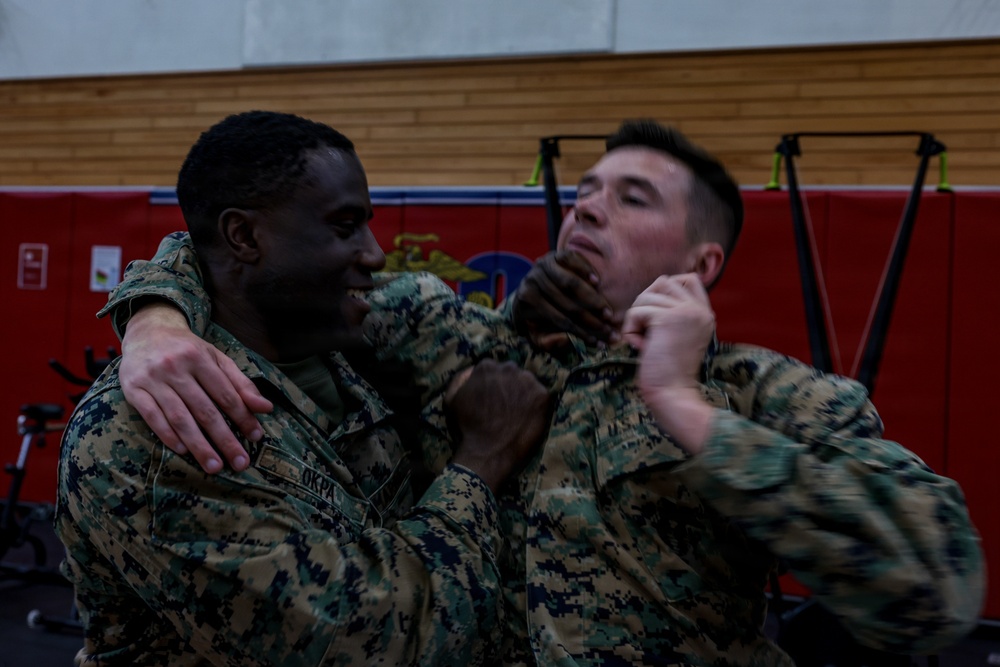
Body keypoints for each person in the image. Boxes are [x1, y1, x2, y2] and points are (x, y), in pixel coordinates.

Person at [104, 119, 985, 666]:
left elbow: (936, 585)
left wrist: (686, 409)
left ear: (701, 263)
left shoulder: (760, 395)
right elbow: (252, 263)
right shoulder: (466, 340)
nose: (587, 210)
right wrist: (154, 313)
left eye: (632, 199)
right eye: (588, 192)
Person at [54, 111, 553, 666]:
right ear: (244, 236)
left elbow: (492, 341)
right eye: (344, 227)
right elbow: (367, 644)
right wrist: (481, 462)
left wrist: (537, 307)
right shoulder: (158, 429)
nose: (374, 253)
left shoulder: (350, 327)